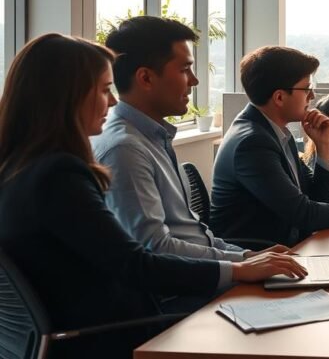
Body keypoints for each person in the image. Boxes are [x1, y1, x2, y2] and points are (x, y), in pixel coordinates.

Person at [0, 34, 306, 359]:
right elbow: (136, 264)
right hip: (121, 334)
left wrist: (242, 263)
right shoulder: (59, 176)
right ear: (68, 97)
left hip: (90, 331)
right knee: (287, 329)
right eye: (105, 90)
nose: (114, 101)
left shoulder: (19, 168)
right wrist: (239, 270)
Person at [92, 17, 291, 310]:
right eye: (185, 69)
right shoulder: (125, 150)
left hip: (201, 284)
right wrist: (240, 267)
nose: (195, 81)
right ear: (146, 78)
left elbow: (195, 236)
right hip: (180, 299)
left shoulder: (152, 137)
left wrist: (248, 257)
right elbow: (155, 250)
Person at [210, 46, 329, 246]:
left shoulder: (275, 132)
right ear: (279, 97)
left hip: (288, 247)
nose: (312, 96)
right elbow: (303, 213)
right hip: (261, 255)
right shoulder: (252, 143)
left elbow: (312, 195)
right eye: (306, 88)